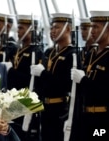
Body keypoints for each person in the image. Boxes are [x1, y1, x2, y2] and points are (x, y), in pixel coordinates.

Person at [31, 13, 77, 141]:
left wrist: (43, 73)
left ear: (68, 29)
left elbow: (63, 84)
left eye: (56, 27)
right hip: (44, 109)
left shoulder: (72, 54)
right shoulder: (48, 52)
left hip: (60, 110)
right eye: (51, 28)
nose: (52, 31)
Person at [70, 11, 109, 141]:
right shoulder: (90, 54)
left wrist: (83, 80)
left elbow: (105, 92)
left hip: (102, 120)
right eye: (91, 26)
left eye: (96, 27)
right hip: (84, 118)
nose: (92, 30)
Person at [8, 14, 43, 141]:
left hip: (26, 100)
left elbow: (30, 80)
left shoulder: (36, 51)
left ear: (31, 30)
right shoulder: (20, 50)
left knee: (25, 135)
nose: (18, 31)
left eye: (22, 28)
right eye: (18, 28)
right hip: (14, 99)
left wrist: (11, 71)